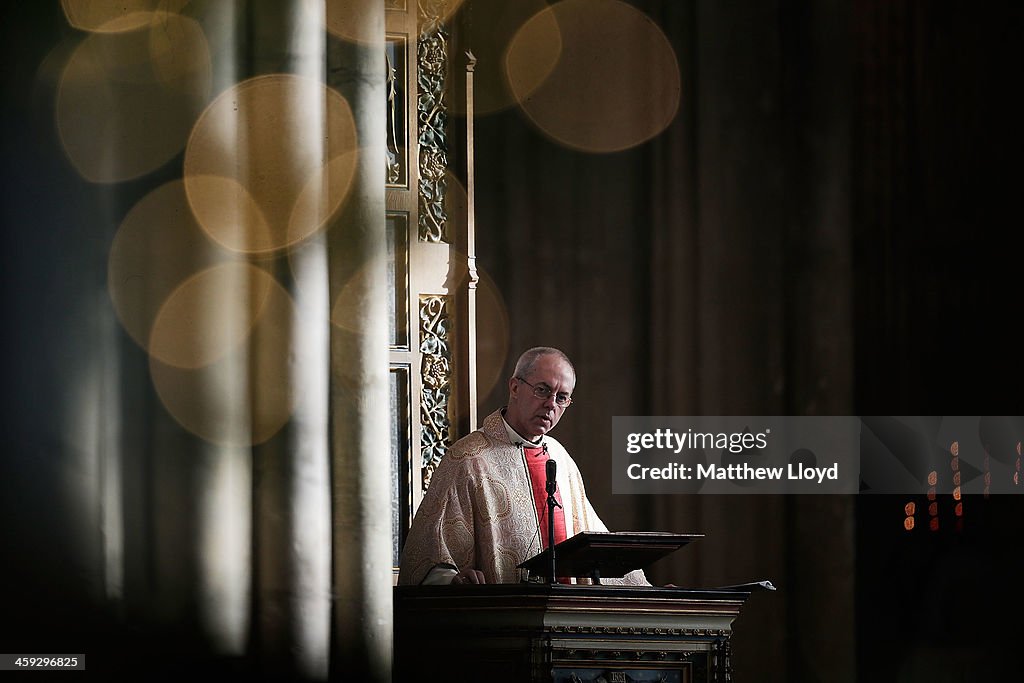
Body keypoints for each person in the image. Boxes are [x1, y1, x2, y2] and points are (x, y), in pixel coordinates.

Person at [398, 346, 648, 586]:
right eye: (542, 390)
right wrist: (452, 580)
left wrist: (649, 592)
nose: (551, 404)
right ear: (515, 387)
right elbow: (429, 558)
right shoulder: (468, 459)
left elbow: (597, 547)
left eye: (561, 398)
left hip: (567, 616)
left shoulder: (561, 459)